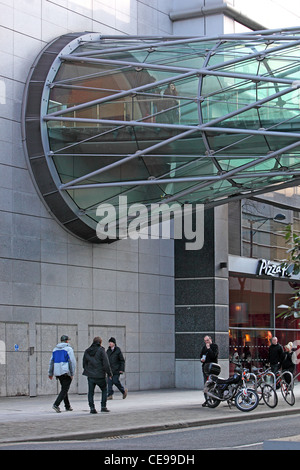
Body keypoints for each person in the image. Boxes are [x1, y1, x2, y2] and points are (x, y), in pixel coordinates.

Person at [82, 336, 112, 414]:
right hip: (100, 375)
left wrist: (87, 370)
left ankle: (92, 408)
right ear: (100, 342)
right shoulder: (101, 350)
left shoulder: (87, 351)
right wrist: (109, 373)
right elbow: (106, 363)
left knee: (91, 392)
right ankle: (103, 407)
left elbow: (84, 363)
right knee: (104, 390)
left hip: (90, 375)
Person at [48, 335, 76, 413]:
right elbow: (72, 361)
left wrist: (50, 373)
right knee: (64, 389)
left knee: (64, 388)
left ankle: (67, 406)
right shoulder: (69, 349)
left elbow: (51, 362)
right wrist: (72, 373)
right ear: (67, 341)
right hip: (66, 372)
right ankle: (56, 404)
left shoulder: (55, 349)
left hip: (58, 372)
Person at [200, 335, 219, 407]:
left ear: (210, 339)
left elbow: (213, 356)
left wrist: (209, 348)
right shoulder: (204, 348)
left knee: (213, 384)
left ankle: (214, 399)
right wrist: (202, 359)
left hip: (213, 368)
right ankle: (207, 400)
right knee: (206, 384)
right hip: (205, 368)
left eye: (207, 340)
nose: (206, 342)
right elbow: (201, 355)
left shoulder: (214, 346)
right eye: (205, 341)